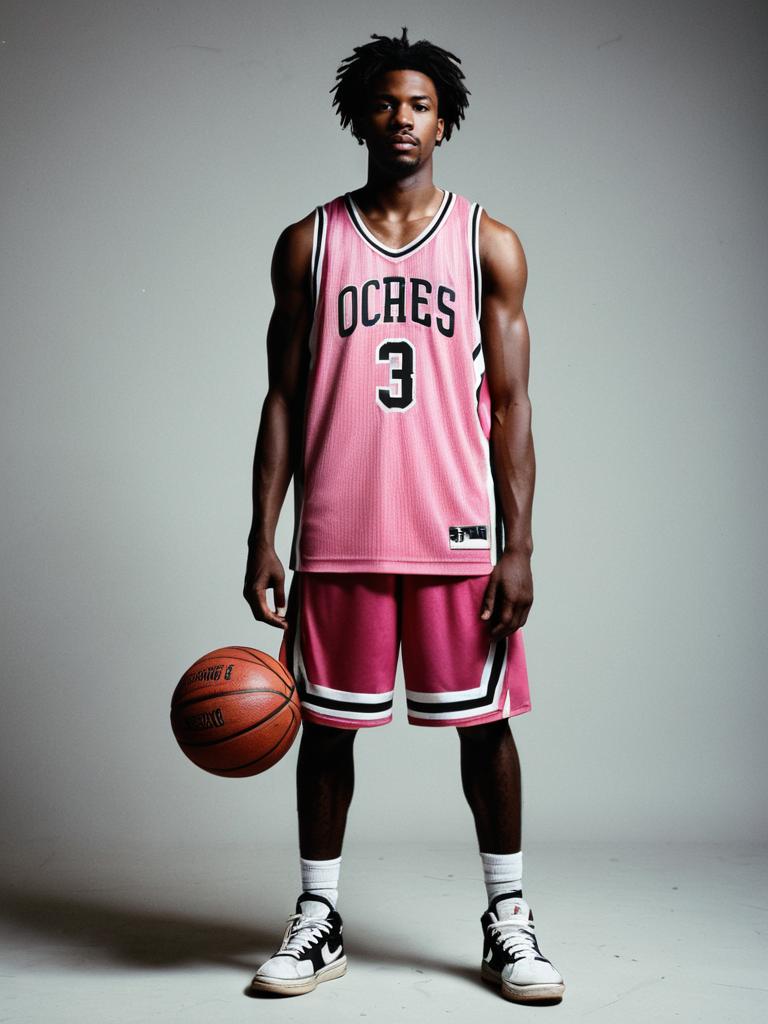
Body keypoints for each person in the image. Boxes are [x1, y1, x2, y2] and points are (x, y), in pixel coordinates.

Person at [243, 26, 565, 1005]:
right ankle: (317, 915)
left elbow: (512, 407)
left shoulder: (487, 243)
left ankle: (508, 917)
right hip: (338, 534)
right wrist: (263, 531)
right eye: (386, 102)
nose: (402, 119)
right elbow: (283, 401)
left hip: (456, 531)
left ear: (445, 119)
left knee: (484, 728)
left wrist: (520, 546)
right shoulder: (309, 242)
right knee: (326, 730)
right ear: (360, 116)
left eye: (420, 104)